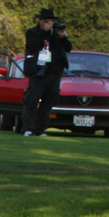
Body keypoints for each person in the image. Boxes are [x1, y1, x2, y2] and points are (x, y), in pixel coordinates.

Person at [21, 8, 70, 137]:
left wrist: (63, 36)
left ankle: (40, 129)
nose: (50, 24)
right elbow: (33, 45)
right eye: (48, 21)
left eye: (52, 21)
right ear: (41, 21)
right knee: (32, 101)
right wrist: (44, 32)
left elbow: (68, 48)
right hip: (38, 72)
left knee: (48, 103)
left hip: (54, 73)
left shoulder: (56, 34)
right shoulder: (33, 32)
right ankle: (28, 128)